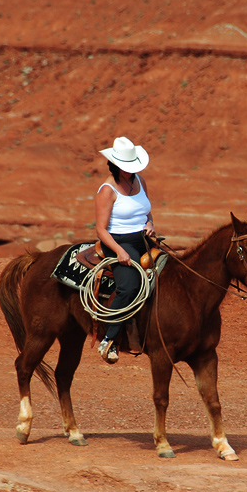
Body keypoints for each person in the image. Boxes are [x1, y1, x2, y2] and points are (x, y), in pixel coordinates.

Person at [94, 136, 157, 363]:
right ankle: (109, 339)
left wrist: (150, 224)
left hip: (144, 239)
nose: (131, 172)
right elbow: (101, 230)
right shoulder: (107, 190)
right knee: (130, 287)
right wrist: (120, 251)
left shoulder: (140, 181)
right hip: (119, 241)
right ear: (115, 165)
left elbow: (146, 211)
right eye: (126, 168)